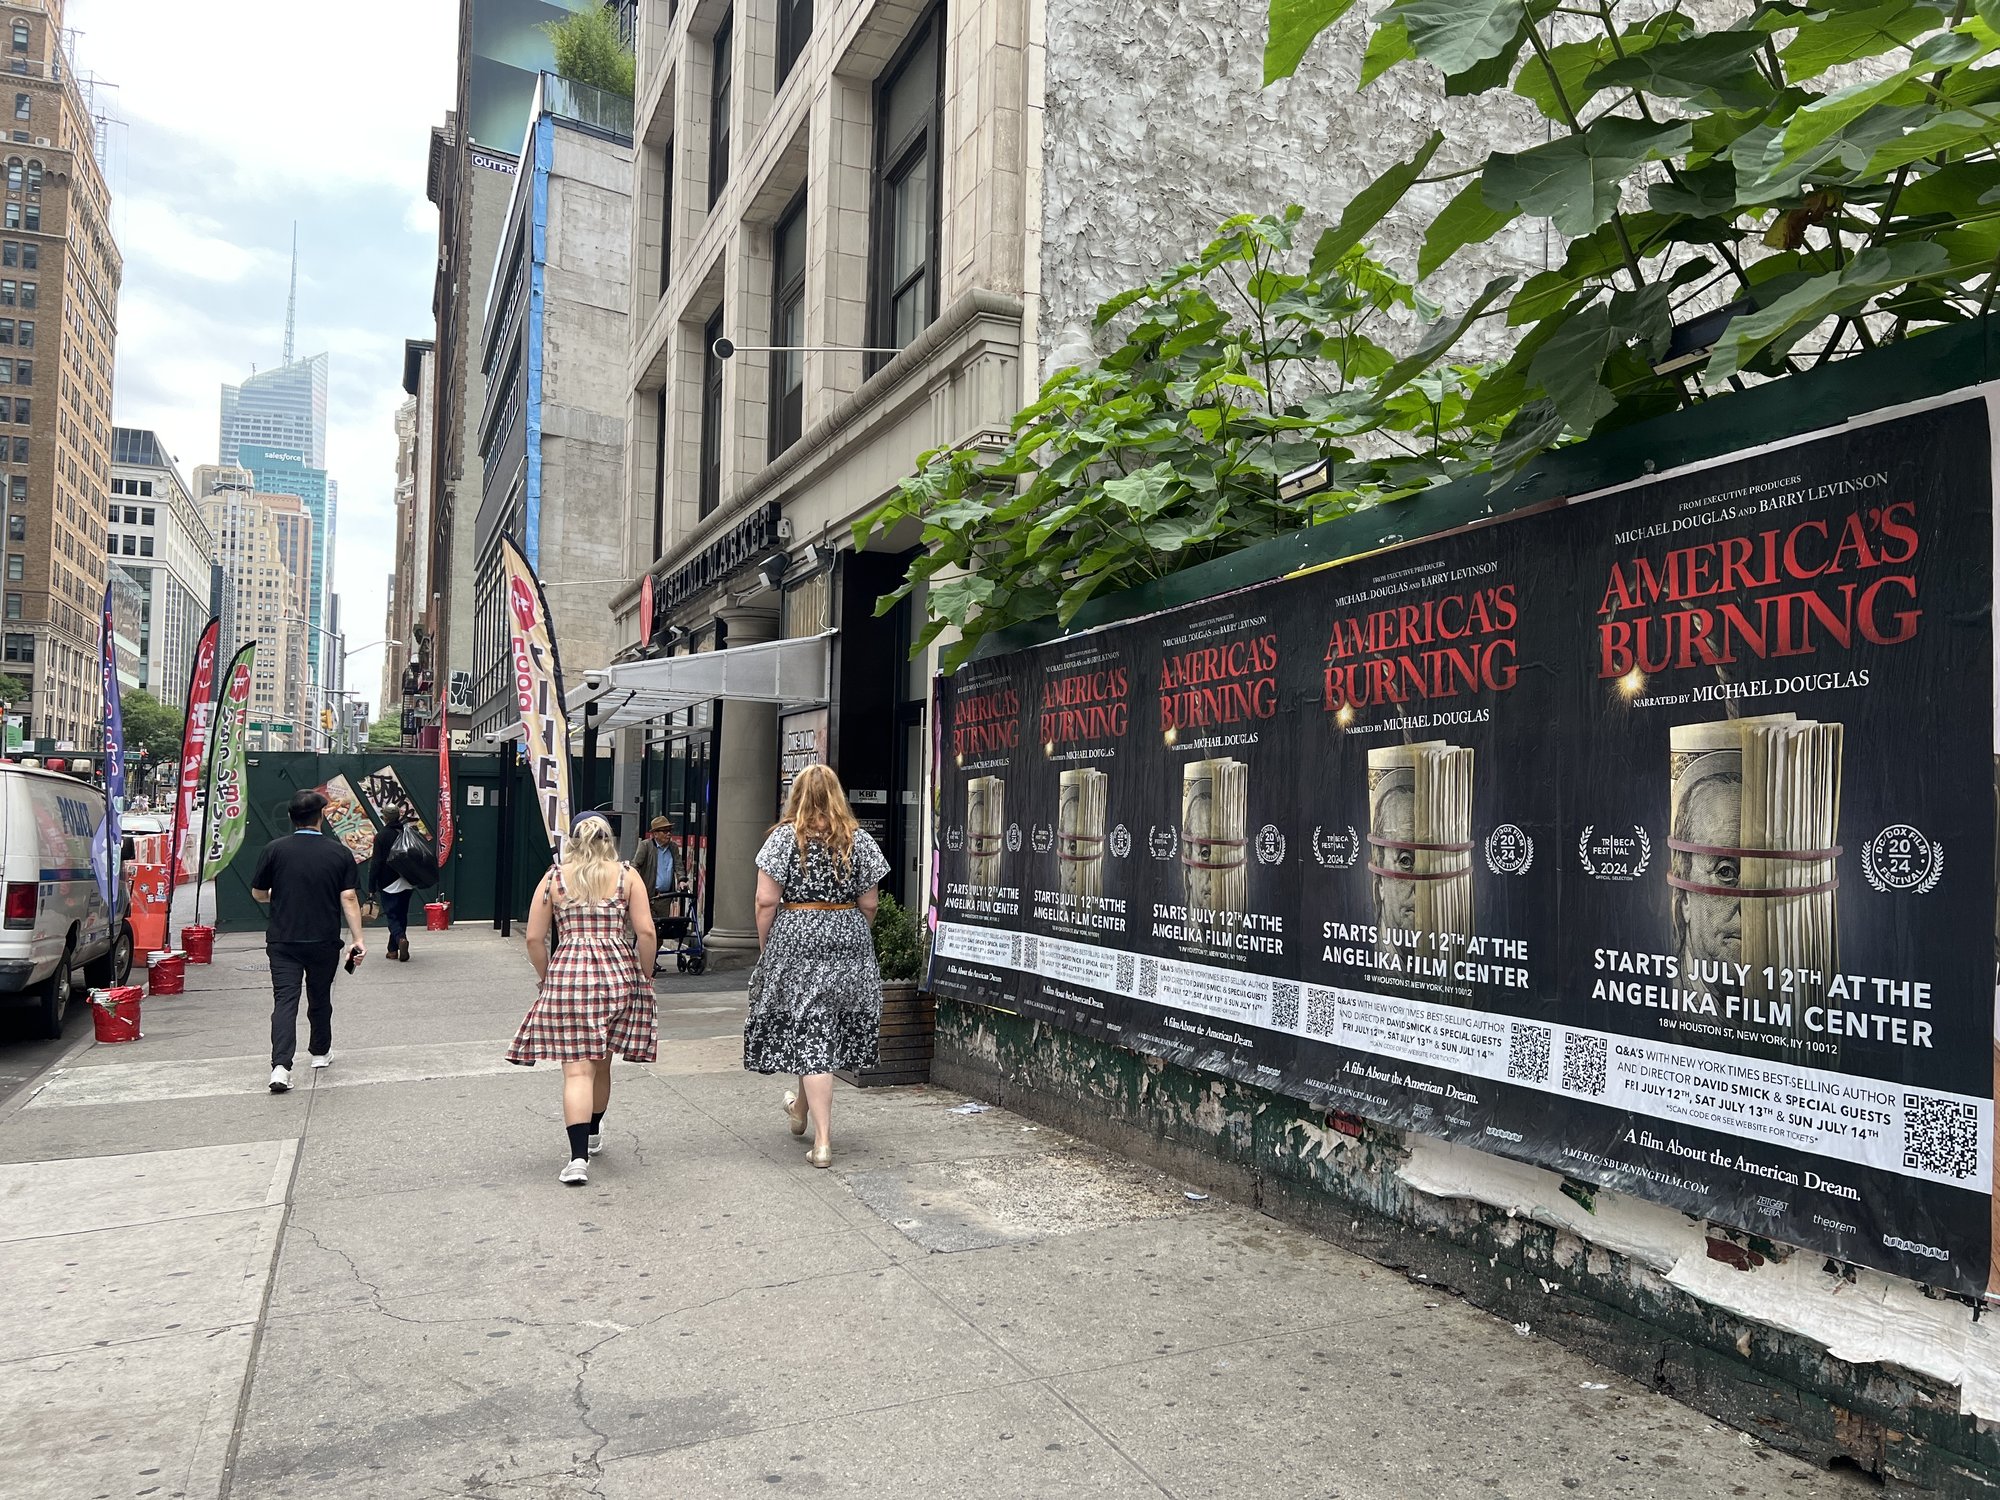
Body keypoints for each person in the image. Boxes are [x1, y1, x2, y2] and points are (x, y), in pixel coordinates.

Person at [745, 763, 889, 1168]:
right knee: (820, 1029)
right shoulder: (858, 840)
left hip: (796, 937)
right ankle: (799, 1111)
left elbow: (765, 901)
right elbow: (871, 903)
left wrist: (767, 945)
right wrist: (853, 936)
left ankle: (823, 1141)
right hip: (847, 936)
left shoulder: (783, 840)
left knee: (811, 1031)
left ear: (798, 796)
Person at [508, 814, 659, 1186]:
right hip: (615, 975)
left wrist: (546, 976)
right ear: (610, 839)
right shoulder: (627, 876)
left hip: (569, 976)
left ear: (573, 840)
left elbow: (533, 938)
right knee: (602, 1064)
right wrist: (645, 973)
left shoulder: (554, 878)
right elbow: (646, 931)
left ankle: (576, 1160)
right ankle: (593, 1132)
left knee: (576, 1070)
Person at [251, 789, 367, 1094]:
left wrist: (281, 894)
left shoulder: (274, 850)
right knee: (319, 996)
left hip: (283, 941)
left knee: (285, 1001)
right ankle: (319, 1052)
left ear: (291, 818)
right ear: (321, 817)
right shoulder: (340, 853)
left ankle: (280, 1067)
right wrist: (358, 939)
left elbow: (259, 894)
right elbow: (349, 897)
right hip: (323, 940)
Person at [631, 815, 680, 969]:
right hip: (649, 896)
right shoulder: (646, 846)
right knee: (648, 929)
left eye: (670, 830)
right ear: (655, 833)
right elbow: (635, 865)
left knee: (660, 932)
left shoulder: (673, 847)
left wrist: (683, 879)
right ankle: (646, 961)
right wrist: (636, 886)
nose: (668, 834)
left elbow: (679, 866)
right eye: (665, 831)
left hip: (665, 897)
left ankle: (651, 959)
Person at [369, 806, 415, 962]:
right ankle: (392, 950)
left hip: (388, 882)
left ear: (385, 818)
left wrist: (371, 887)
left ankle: (401, 938)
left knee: (392, 916)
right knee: (402, 915)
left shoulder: (382, 836)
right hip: (407, 880)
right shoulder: (406, 832)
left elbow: (376, 863)